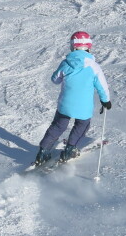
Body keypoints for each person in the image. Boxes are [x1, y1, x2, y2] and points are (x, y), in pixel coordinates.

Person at [32, 31, 111, 167]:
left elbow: (55, 80)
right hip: (83, 107)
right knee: (82, 126)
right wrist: (106, 101)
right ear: (89, 47)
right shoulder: (94, 67)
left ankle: (43, 151)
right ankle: (70, 149)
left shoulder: (66, 63)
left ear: (72, 46)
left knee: (58, 126)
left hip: (65, 105)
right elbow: (102, 87)